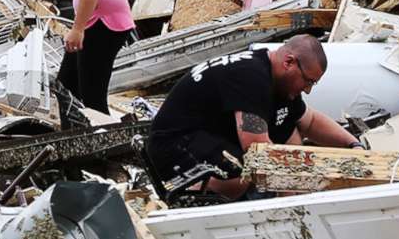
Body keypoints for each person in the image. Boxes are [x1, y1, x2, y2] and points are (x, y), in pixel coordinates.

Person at [146, 35, 357, 201]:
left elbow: (309, 121)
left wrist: (353, 145)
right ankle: (191, 198)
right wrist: (304, 184)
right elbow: (257, 149)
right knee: (240, 172)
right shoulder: (251, 77)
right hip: (174, 145)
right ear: (289, 63)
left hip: (206, 134)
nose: (308, 90)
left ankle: (285, 203)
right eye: (308, 81)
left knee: (290, 130)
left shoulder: (279, 82)